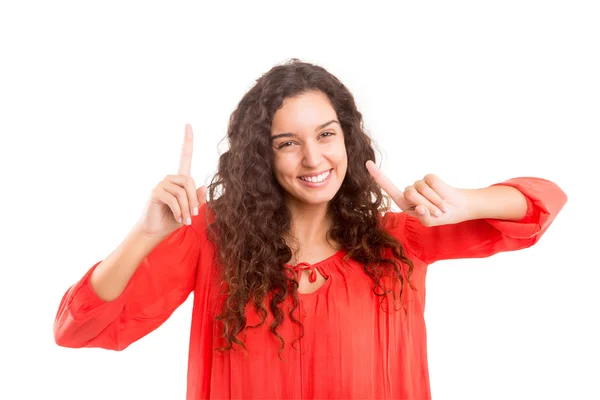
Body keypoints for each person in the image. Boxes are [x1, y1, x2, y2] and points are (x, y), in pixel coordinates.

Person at [53, 58, 567, 399]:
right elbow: (78, 329)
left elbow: (543, 202)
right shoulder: (213, 239)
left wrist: (464, 203)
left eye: (326, 134)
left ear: (348, 139)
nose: (313, 157)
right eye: (287, 142)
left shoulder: (400, 237)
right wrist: (146, 235)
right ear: (262, 156)